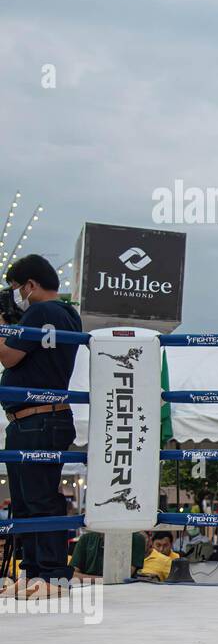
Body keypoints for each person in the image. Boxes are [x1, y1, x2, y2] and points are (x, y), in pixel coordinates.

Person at [0, 255, 82, 599]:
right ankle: (36, 572)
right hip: (38, 417)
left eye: (16, 288)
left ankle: (49, 573)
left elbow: (8, 356)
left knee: (36, 499)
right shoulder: (67, 314)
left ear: (30, 285)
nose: (15, 294)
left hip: (37, 416)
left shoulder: (40, 312)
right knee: (28, 500)